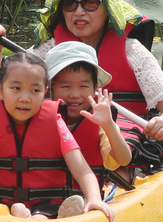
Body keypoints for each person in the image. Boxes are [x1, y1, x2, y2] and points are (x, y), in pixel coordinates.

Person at [0, 0, 163, 166]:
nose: (78, 11)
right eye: (70, 3)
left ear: (108, 8)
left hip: (121, 141)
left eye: (90, 3)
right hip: (60, 135)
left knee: (115, 156)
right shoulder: (49, 50)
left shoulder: (131, 51)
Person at [0, 51, 115, 222]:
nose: (25, 98)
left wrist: (94, 199)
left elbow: (83, 171)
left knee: (39, 218)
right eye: (16, 88)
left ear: (45, 92)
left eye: (34, 91)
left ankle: (33, 217)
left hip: (44, 205)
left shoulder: (56, 124)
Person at [44, 41, 134, 191]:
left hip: (86, 195)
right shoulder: (35, 116)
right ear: (49, 89)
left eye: (83, 86)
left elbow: (124, 159)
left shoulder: (100, 124)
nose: (74, 94)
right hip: (44, 197)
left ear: (95, 89)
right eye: (65, 86)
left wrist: (109, 126)